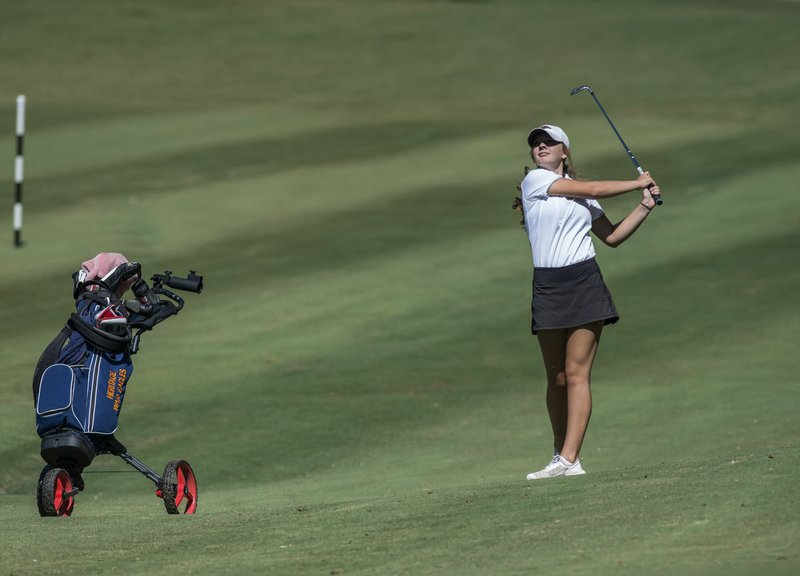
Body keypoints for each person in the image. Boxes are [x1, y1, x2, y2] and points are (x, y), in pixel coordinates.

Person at [515, 124, 660, 480]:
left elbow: (611, 237)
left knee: (578, 373)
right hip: (548, 285)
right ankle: (561, 452)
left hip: (584, 281)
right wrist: (637, 183)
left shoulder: (584, 199)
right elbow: (594, 187)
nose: (542, 147)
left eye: (550, 143)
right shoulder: (535, 181)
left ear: (565, 151)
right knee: (557, 378)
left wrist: (644, 206)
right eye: (536, 144)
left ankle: (569, 458)